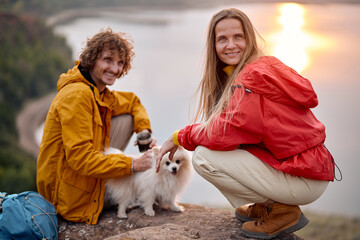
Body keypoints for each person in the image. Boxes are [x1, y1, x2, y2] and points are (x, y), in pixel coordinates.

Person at [156, 8, 335, 239]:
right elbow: (236, 130)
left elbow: (224, 131)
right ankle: (269, 205)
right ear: (214, 45)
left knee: (203, 157)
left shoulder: (250, 78)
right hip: (307, 171)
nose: (231, 45)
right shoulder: (261, 66)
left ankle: (280, 211)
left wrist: (179, 136)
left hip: (302, 176)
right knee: (217, 149)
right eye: (222, 39)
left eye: (238, 37)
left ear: (249, 38)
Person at [37, 28, 157, 225]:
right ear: (92, 59)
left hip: (83, 176)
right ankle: (105, 193)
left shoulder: (99, 93)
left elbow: (133, 102)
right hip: (69, 199)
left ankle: (107, 185)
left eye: (120, 63)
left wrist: (144, 132)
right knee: (137, 181)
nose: (115, 69)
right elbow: (81, 159)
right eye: (108, 60)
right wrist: (132, 165)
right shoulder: (77, 96)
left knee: (128, 115)